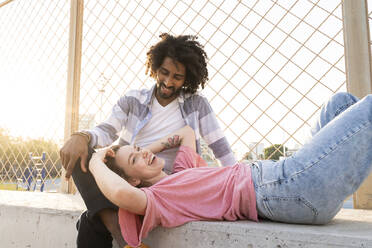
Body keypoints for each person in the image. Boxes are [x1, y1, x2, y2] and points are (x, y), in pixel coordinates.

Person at [89, 92, 372, 247]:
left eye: (140, 149)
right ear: (134, 179)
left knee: (340, 103)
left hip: (286, 180)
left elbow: (187, 132)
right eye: (135, 159)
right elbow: (121, 194)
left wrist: (142, 152)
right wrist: (96, 161)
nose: (144, 153)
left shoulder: (181, 172)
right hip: (287, 187)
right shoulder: (161, 197)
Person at [59, 33, 236, 247]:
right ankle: (120, 233)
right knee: (80, 149)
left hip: (166, 184)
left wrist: (234, 182)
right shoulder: (133, 100)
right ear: (155, 68)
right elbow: (107, 130)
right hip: (129, 178)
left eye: (177, 77)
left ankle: (119, 233)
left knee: (89, 221)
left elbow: (220, 148)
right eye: (164, 72)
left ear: (187, 78)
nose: (169, 82)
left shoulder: (196, 105)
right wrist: (82, 136)